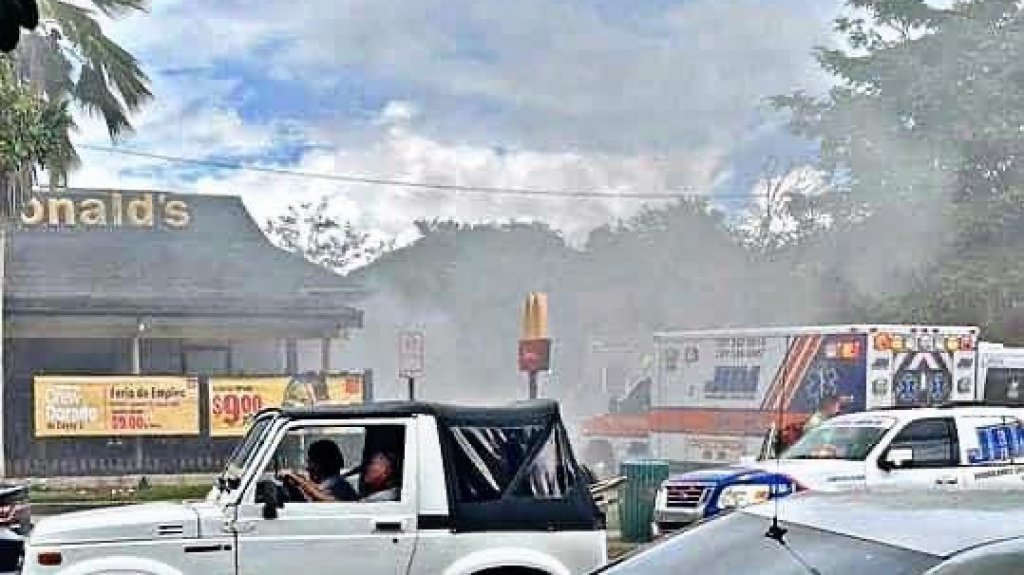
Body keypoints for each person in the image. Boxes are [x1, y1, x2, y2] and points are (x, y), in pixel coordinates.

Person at [280, 439, 359, 502]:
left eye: (310, 462)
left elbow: (326, 499)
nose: (307, 468)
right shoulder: (327, 484)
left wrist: (298, 480)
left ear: (320, 464)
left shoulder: (340, 486)